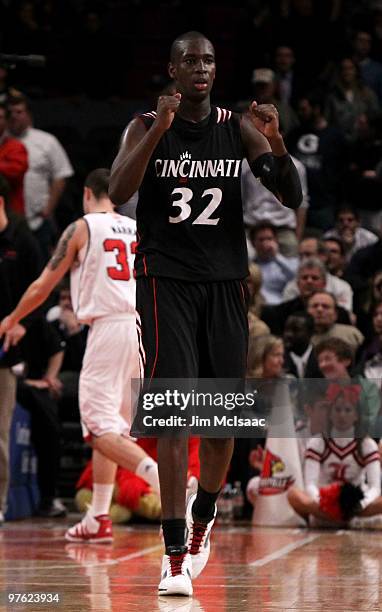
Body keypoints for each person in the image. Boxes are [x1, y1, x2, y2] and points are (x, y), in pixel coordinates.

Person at [109, 30, 302, 597]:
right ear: (172, 69)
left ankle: (204, 519)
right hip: (165, 281)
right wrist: (160, 133)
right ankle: (171, 557)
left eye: (209, 60)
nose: (201, 68)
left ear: (217, 70)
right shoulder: (144, 126)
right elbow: (120, 185)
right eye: (190, 60)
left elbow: (289, 195)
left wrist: (278, 142)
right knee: (173, 414)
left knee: (221, 420)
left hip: (223, 283)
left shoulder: (236, 126)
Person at [0, 168, 160, 542]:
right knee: (114, 426)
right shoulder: (138, 227)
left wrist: (11, 318)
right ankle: (98, 518)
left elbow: (43, 284)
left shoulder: (82, 227)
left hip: (107, 328)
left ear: (88, 194)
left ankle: (166, 483)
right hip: (142, 330)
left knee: (98, 428)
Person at [0, 174, 43, 523]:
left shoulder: (23, 241)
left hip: (6, 354)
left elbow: (41, 295)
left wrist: (22, 324)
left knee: (1, 432)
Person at [288, 382, 382, 527]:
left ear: (356, 415)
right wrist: (324, 502)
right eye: (337, 410)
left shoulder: (367, 444)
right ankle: (339, 519)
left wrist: (360, 504)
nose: (342, 415)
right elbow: (310, 484)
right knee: (293, 494)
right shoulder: (317, 442)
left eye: (347, 410)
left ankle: (337, 519)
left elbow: (375, 487)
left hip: (357, 504)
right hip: (323, 503)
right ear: (330, 414)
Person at [7, 95, 74, 261]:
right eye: (11, 112)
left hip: (38, 218)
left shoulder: (46, 141)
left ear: (28, 114)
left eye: (19, 111)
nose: (14, 116)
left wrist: (49, 208)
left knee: (40, 266)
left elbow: (61, 175)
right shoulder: (4, 142)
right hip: (7, 218)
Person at [0, 102, 28, 216]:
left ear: (6, 121)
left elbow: (14, 171)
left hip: (10, 212)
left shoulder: (15, 146)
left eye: (0, 117)